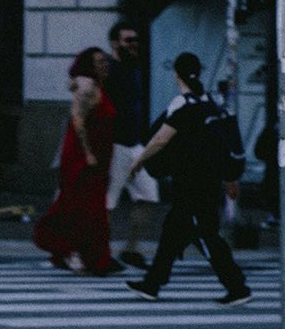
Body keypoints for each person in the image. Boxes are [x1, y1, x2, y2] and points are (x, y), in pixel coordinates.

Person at [126, 52, 250, 304]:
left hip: (191, 182)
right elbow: (222, 143)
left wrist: (139, 161)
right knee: (173, 231)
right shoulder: (211, 101)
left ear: (176, 74)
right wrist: (230, 177)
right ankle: (152, 284)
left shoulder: (183, 103)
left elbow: (161, 139)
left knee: (206, 234)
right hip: (209, 179)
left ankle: (237, 287)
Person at [32, 47, 120, 276]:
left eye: (105, 61)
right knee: (82, 205)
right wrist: (88, 153)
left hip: (99, 155)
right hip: (84, 156)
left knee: (92, 206)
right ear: (89, 65)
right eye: (99, 62)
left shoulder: (97, 85)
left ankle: (85, 254)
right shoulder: (86, 86)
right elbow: (78, 120)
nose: (104, 65)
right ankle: (76, 253)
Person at [103, 22, 158, 268]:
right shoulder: (108, 69)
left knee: (149, 194)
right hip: (114, 145)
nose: (133, 44)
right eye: (128, 40)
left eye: (135, 40)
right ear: (115, 43)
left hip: (134, 144)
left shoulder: (134, 68)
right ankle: (101, 252)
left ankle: (131, 249)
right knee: (108, 203)